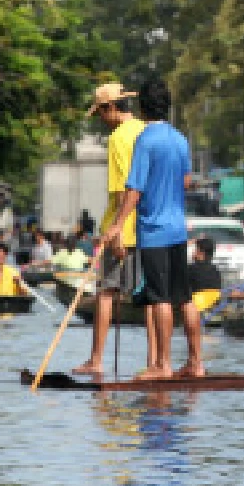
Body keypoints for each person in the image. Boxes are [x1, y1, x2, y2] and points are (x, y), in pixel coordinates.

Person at [101, 79, 203, 380]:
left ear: (143, 107)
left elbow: (134, 188)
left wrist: (117, 225)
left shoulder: (145, 140)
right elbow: (185, 181)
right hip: (177, 230)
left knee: (159, 298)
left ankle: (163, 365)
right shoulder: (180, 139)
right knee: (184, 297)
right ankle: (196, 363)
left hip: (155, 230)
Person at [74, 82, 148, 376]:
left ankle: (96, 359)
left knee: (106, 292)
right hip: (145, 227)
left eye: (101, 113)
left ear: (111, 108)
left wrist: (116, 230)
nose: (102, 121)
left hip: (121, 228)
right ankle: (157, 361)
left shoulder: (118, 138)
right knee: (149, 297)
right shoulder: (146, 130)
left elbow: (121, 191)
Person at [187, 236, 223, 313]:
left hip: (196, 306)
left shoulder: (190, 269)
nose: (193, 252)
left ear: (201, 253)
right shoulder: (215, 270)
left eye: (195, 249)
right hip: (213, 306)